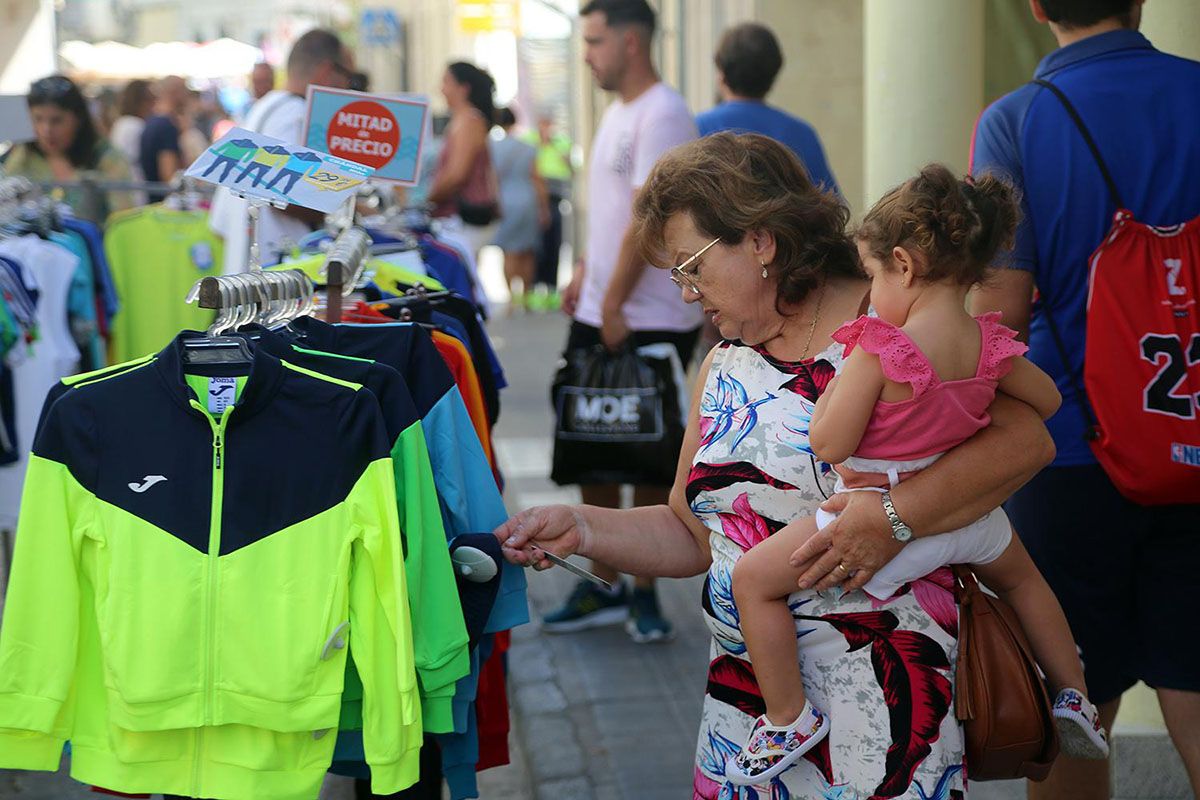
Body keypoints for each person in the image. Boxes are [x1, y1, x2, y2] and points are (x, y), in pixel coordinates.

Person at [498, 132, 1058, 798]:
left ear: (759, 240)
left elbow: (1028, 440)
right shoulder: (723, 363)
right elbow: (693, 532)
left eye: (692, 266)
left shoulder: (887, 322)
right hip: (751, 720)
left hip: (883, 716)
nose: (684, 293)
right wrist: (584, 528)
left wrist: (893, 516)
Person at [725, 164, 1108, 786]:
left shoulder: (884, 348)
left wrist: (840, 385)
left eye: (873, 274)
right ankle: (1072, 694)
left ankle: (787, 716)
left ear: (902, 264)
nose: (871, 291)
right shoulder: (990, 345)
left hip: (872, 511)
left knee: (752, 581)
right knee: (1026, 583)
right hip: (967, 516)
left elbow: (830, 441)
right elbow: (1048, 404)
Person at [970, 2, 1200, 798]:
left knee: (1076, 711)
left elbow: (997, 317)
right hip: (1198, 438)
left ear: (1035, 7)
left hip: (1071, 450)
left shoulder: (1017, 123)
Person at [542, 0, 701, 643]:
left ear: (632, 42)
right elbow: (610, 214)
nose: (586, 53)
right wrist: (587, 271)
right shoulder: (619, 111)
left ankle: (643, 592)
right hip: (606, 306)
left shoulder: (664, 113)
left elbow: (649, 219)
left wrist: (613, 304)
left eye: (595, 40)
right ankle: (601, 577)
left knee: (647, 455)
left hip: (646, 315)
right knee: (594, 445)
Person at [209, 29, 355, 274]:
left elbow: (219, 222)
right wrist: (344, 202)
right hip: (275, 282)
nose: (350, 87)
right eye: (349, 77)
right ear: (327, 72)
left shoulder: (263, 108)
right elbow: (282, 191)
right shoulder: (297, 113)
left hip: (246, 280)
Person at [696, 22, 838, 194]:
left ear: (721, 75)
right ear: (774, 72)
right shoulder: (802, 133)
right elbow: (830, 204)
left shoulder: (696, 130)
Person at [0, 75, 135, 225]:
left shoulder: (107, 159)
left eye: (56, 120)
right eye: (38, 119)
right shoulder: (22, 157)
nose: (46, 130)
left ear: (78, 119)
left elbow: (124, 220)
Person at [426, 61, 501, 263]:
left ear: (463, 88)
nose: (441, 89)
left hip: (462, 218)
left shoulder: (469, 121)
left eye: (446, 82)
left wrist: (427, 200)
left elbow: (457, 174)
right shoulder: (462, 120)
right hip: (456, 217)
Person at [490, 107, 549, 311]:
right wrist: (544, 208)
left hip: (504, 201)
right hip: (527, 200)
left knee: (508, 252)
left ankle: (510, 299)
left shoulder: (492, 147)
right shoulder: (528, 147)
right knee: (527, 251)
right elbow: (537, 179)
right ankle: (524, 297)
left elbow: (492, 179)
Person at [521, 113, 574, 310]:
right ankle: (534, 289)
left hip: (555, 198)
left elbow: (571, 167)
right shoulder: (529, 142)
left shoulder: (561, 142)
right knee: (536, 247)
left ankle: (552, 289)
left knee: (554, 244)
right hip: (534, 200)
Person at [139, 75, 188, 194]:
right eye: (184, 90)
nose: (187, 96)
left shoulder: (152, 120)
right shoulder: (166, 125)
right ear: (175, 92)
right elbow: (169, 176)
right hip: (163, 201)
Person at [109, 79, 154, 178]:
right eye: (150, 100)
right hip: (133, 181)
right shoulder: (135, 125)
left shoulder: (122, 122)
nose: (153, 106)